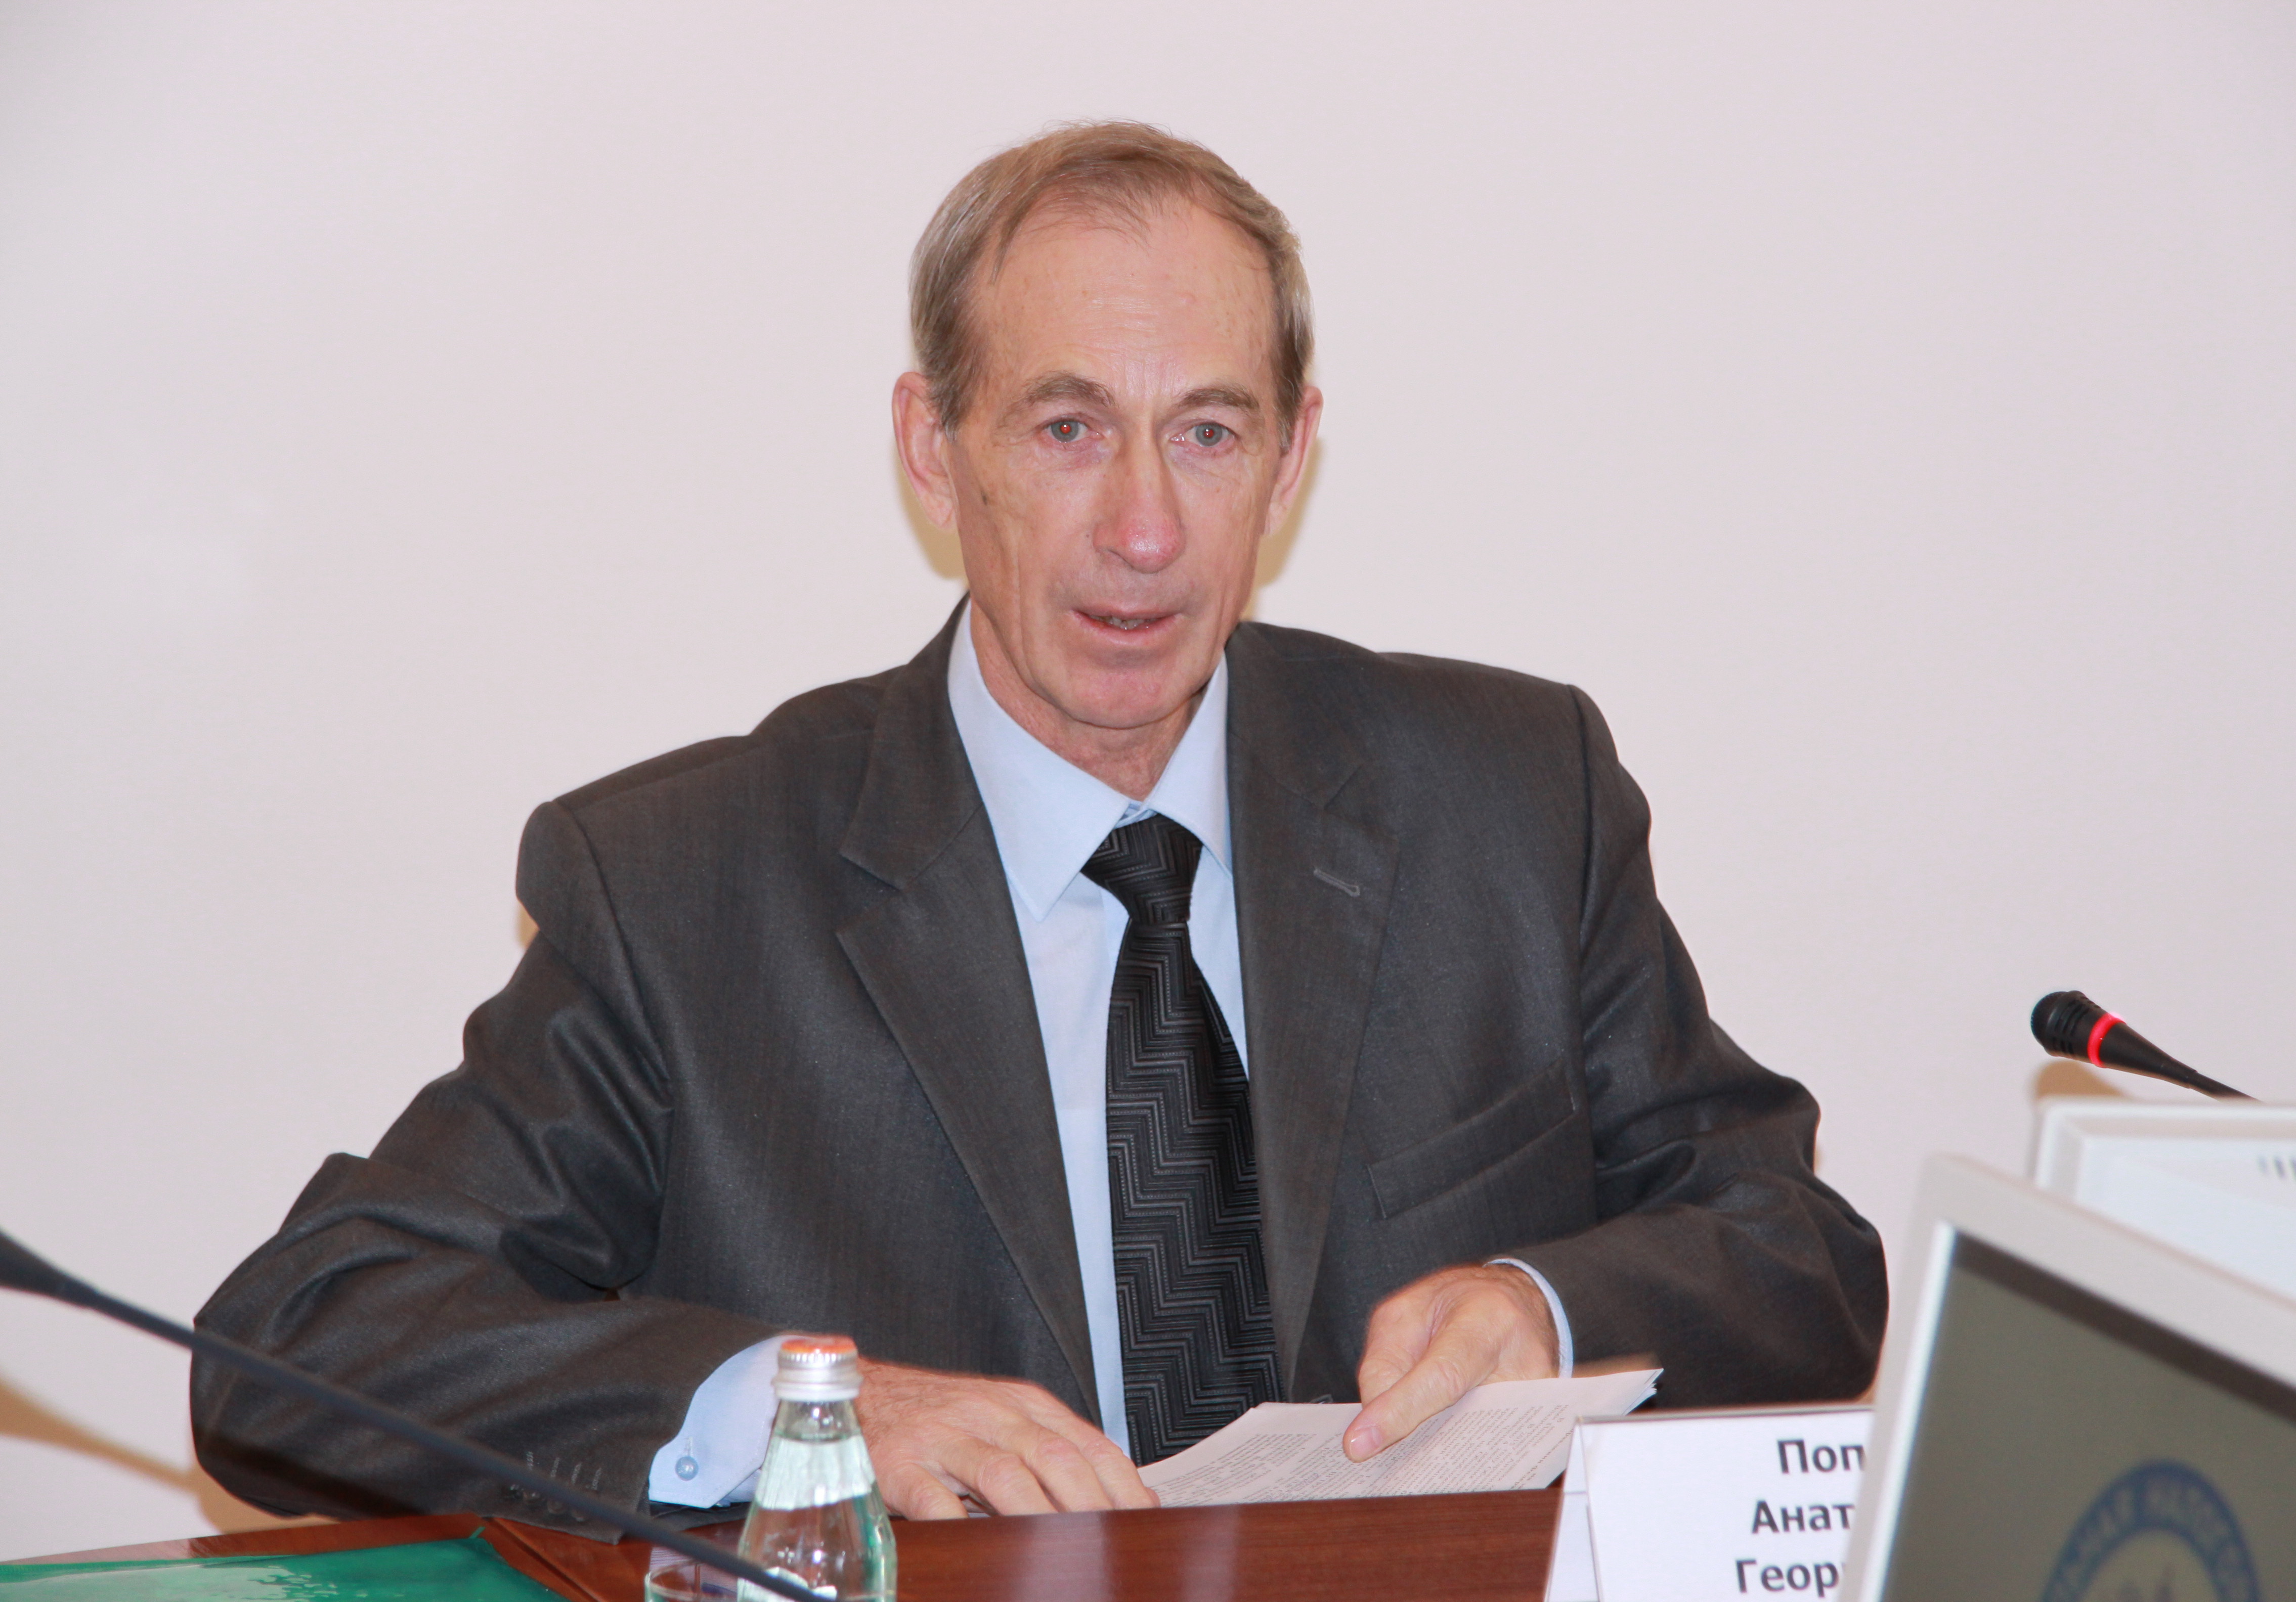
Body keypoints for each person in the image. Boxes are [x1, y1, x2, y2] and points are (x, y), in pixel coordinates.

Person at [192, 122, 1885, 1532]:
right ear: (935, 450)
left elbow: (1801, 1255)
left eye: (1207, 433)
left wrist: (1550, 1308)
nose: (1144, 529)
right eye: (1069, 429)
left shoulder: (1511, 796)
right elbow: (305, 1341)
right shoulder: (683, 889)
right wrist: (817, 1414)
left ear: (1292, 456)